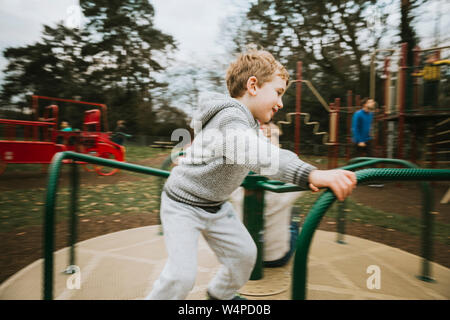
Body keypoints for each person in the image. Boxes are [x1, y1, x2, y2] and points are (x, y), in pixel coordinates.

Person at [146, 49, 356, 300]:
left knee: (244, 256)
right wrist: (310, 174)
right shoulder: (230, 116)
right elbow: (256, 153)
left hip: (215, 206)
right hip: (182, 205)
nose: (280, 103)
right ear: (253, 86)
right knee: (181, 276)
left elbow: (225, 146)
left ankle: (219, 296)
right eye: (278, 92)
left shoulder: (246, 123)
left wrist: (194, 155)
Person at [229, 121, 305, 268]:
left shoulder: (237, 186)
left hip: (243, 257)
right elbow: (297, 171)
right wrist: (274, 136)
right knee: (294, 218)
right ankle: (293, 224)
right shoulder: (283, 189)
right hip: (275, 259)